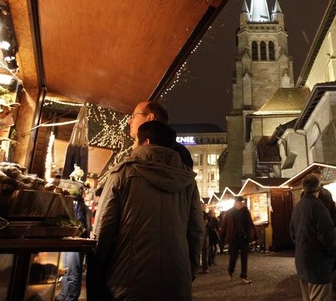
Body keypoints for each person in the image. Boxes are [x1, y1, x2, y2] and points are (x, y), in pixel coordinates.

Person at [90, 120, 204, 300]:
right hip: (176, 279)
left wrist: (98, 273)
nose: (133, 146)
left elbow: (103, 228)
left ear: (146, 142)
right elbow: (196, 230)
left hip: (129, 278)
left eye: (135, 141)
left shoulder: (122, 173)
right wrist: (189, 269)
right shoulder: (188, 181)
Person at [290, 173, 336, 301]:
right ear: (318, 188)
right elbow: (328, 235)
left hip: (302, 260)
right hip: (318, 263)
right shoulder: (318, 207)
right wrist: (333, 253)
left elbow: (292, 232)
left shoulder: (297, 206)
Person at [129, 101, 193, 168]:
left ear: (150, 117)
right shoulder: (181, 152)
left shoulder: (148, 154)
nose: (129, 122)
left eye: (134, 116)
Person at [221, 196, 257, 284]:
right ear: (235, 203)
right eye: (239, 202)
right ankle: (230, 271)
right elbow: (224, 226)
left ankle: (243, 276)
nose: (240, 204)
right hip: (234, 238)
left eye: (241, 202)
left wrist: (254, 237)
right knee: (233, 256)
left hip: (244, 238)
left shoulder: (246, 212)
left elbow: (250, 224)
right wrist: (222, 238)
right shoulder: (230, 212)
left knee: (244, 258)